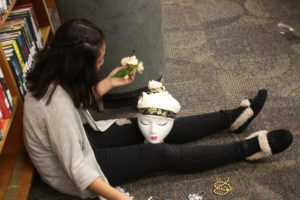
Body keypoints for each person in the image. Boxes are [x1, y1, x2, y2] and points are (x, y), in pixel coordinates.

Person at [23, 19, 293, 200]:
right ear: (77, 65)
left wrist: (108, 82)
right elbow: (77, 167)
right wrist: (119, 198)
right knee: (158, 151)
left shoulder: (54, 70)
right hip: (76, 170)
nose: (102, 64)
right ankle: (246, 149)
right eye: (99, 61)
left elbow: (74, 106)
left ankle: (231, 119)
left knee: (150, 120)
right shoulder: (54, 105)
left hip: (84, 138)